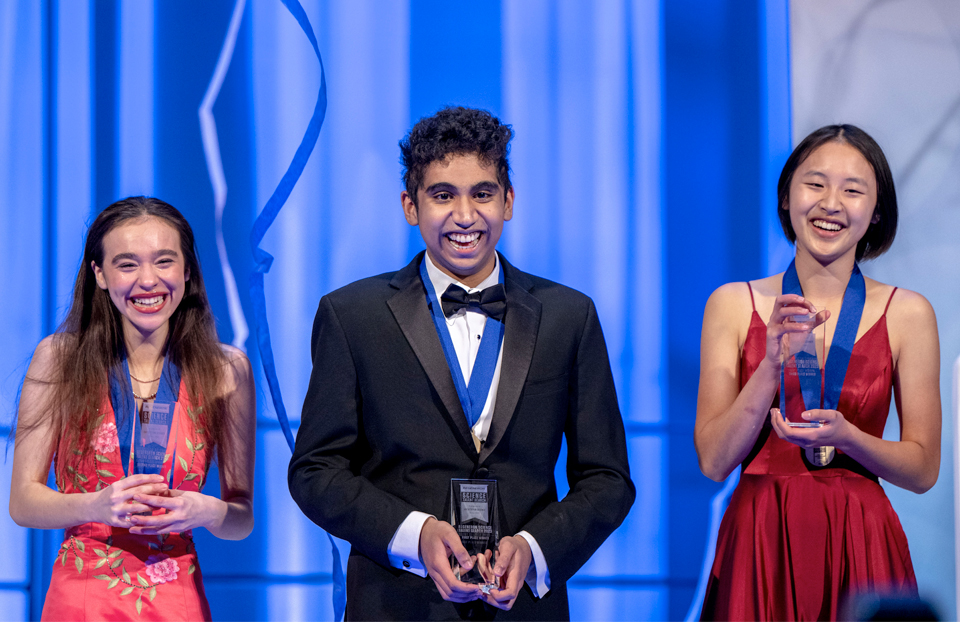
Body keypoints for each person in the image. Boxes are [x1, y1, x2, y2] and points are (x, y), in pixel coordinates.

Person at [288, 106, 635, 620]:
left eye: (483, 193)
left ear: (509, 201)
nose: (465, 215)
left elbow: (608, 478)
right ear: (411, 206)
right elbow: (315, 471)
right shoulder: (351, 315)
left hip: (524, 607)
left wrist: (536, 549)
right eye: (443, 195)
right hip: (396, 604)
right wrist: (415, 534)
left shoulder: (569, 315)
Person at [694, 125, 941, 620]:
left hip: (862, 537)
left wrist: (849, 437)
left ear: (875, 213)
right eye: (815, 184)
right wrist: (770, 367)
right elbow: (714, 461)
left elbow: (922, 469)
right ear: (787, 197)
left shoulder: (909, 312)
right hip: (761, 534)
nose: (830, 203)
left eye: (852, 190)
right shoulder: (732, 303)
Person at [9, 197, 256, 620]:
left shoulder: (226, 369)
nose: (148, 281)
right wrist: (96, 506)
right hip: (83, 599)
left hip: (178, 599)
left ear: (187, 271)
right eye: (126, 264)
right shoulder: (59, 358)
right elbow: (23, 503)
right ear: (99, 275)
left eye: (164, 261)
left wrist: (207, 510)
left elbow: (242, 517)